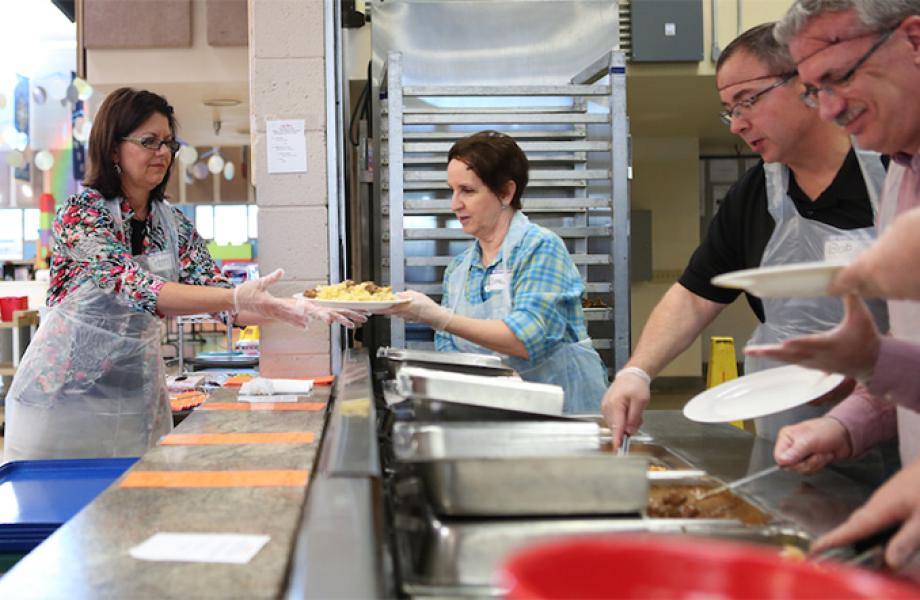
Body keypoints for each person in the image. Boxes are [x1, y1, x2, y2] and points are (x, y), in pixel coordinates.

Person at [3, 88, 365, 462]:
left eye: (168, 143)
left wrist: (298, 306)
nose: (162, 152)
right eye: (148, 141)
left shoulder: (172, 223)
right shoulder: (81, 214)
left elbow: (227, 304)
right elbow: (136, 287)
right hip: (61, 403)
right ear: (113, 149)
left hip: (135, 401)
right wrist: (236, 298)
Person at [601, 22, 888, 447]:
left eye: (746, 101)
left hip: (896, 408)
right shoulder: (754, 195)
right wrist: (638, 371)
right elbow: (696, 293)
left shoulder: (893, 171)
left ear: (805, 85)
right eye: (729, 109)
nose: (736, 124)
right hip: (790, 416)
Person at [743, 0, 920, 570]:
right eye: (814, 90)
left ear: (914, 40)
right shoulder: (899, 174)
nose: (829, 109)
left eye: (838, 78)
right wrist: (846, 420)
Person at [382, 131, 608, 413]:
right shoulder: (459, 269)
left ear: (505, 192)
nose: (454, 204)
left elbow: (526, 339)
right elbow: (449, 349)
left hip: (564, 419)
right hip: (493, 417)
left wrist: (436, 316)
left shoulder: (540, 249)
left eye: (468, 190)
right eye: (452, 190)